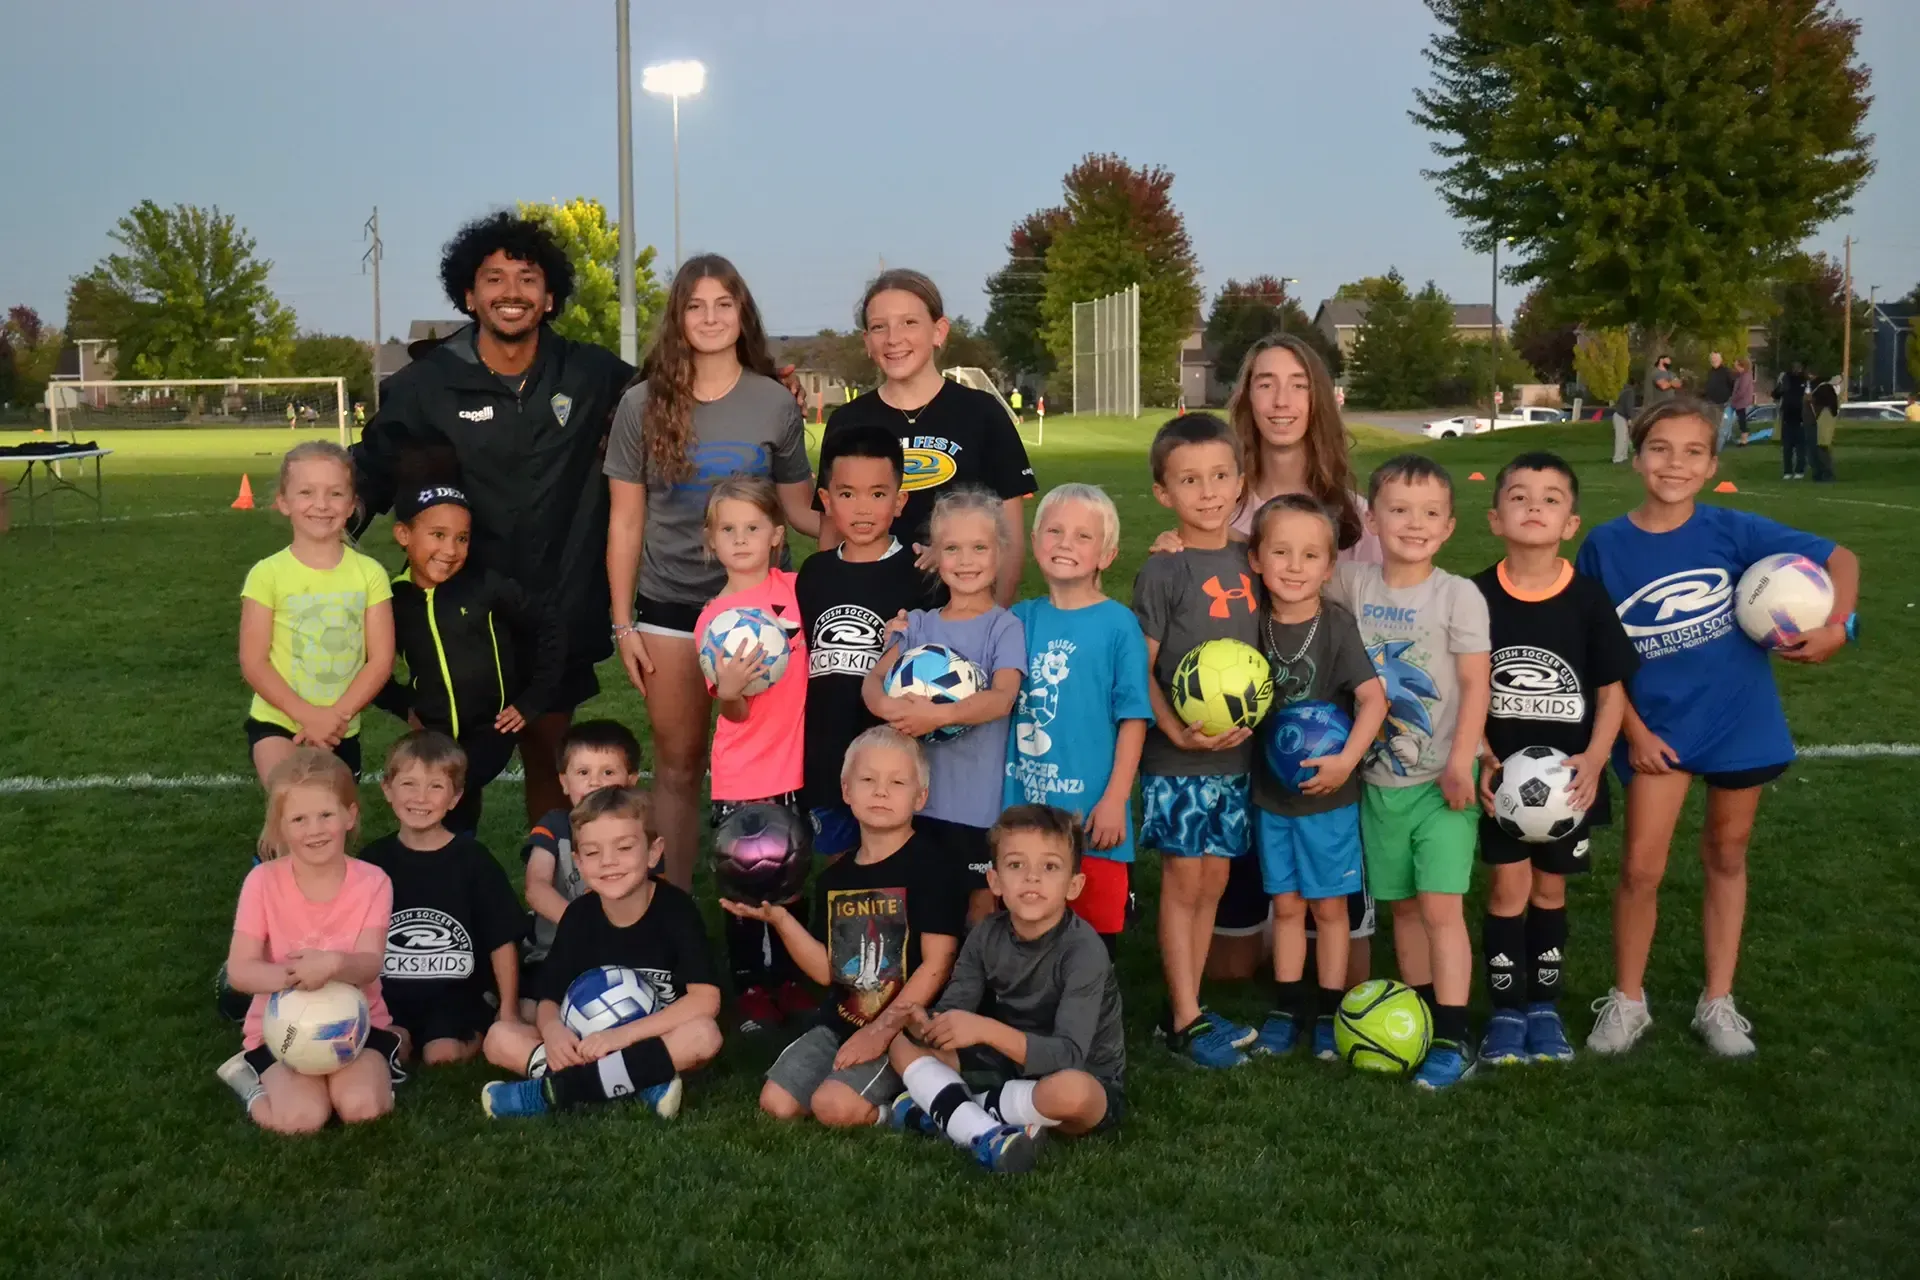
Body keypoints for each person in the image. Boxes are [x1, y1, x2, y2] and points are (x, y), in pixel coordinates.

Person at [1578, 397, 1858, 1058]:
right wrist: (1635, 732)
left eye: (1693, 452)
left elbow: (1841, 558)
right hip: (1660, 732)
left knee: (1727, 855)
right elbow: (1600, 653)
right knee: (1642, 869)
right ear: (1637, 456)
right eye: (1661, 448)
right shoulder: (1606, 545)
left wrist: (1837, 627)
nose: (1674, 463)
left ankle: (1717, 1001)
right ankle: (1627, 1000)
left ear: (1711, 466)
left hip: (1739, 720)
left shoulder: (1733, 531)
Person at [352, 212, 634, 823]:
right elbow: (370, 466)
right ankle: (448, 905)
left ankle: (553, 905)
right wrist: (328, 509)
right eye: (494, 278)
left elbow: (673, 398)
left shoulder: (590, 372)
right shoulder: (427, 384)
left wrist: (764, 383)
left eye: (527, 278)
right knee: (451, 779)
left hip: (557, 609)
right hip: (462, 617)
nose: (512, 292)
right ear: (469, 294)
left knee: (553, 770)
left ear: (550, 295)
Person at [1152, 335, 1385, 990]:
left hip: (1320, 755)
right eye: (1264, 383)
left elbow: (1375, 640)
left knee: (1346, 960)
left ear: (1320, 398)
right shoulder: (1220, 500)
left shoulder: (1352, 517)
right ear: (1245, 398)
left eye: (1297, 383)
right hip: (1235, 752)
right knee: (1232, 967)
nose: (1281, 400)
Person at [605, 255, 819, 891]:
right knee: (677, 765)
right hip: (672, 608)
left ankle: (769, 898)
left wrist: (876, 538)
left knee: (771, 766)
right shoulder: (641, 404)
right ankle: (671, 909)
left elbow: (799, 507)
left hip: (760, 613)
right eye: (695, 305)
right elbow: (625, 522)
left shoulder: (774, 402)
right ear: (678, 317)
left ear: (742, 314)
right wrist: (623, 624)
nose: (710, 317)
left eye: (723, 304)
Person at [1327, 455, 1491, 1091]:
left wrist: (1461, 761)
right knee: (1402, 910)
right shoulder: (1354, 583)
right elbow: (1290, 570)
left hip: (1440, 787)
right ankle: (1420, 1011)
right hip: (1377, 786)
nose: (1413, 524)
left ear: (1450, 526)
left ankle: (1452, 1035)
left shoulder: (1458, 595)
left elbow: (1477, 686)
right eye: (1398, 510)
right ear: (1372, 518)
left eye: (1429, 514)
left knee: (1441, 907)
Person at [1471, 453, 1637, 1066]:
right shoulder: (1475, 596)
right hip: (1504, 783)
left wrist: (1594, 760)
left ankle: (1544, 1008)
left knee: (1550, 893)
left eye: (1550, 498)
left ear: (1571, 523)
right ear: (1495, 518)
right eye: (1518, 496)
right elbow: (1468, 690)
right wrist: (1486, 757)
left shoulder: (1589, 600)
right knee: (1506, 891)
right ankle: (1505, 1014)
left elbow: (1611, 689)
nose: (1533, 507)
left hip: (1570, 783)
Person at [733, 728, 965, 1127]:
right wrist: (782, 921)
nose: (880, 792)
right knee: (777, 1104)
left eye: (897, 782)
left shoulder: (933, 867)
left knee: (833, 1107)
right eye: (868, 780)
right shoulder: (834, 880)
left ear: (920, 797)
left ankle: (903, 1110)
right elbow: (828, 970)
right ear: (846, 790)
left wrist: (881, 1031)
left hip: (905, 1031)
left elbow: (938, 963)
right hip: (842, 1019)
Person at [886, 804, 1127, 1175]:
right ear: (996, 881)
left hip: (1081, 1074)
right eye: (1016, 865)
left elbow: (1068, 1055)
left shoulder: (1084, 951)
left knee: (1073, 1093)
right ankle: (986, 1134)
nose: (1032, 878)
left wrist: (983, 1029)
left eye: (1049, 867)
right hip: (1007, 1064)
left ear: (1074, 885)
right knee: (901, 1043)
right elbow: (956, 1007)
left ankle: (954, 1109)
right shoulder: (986, 933)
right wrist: (929, 1025)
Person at [1131, 413, 1262, 1069]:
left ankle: (1190, 1005)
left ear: (1240, 481)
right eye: (1189, 480)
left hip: (1235, 754)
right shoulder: (1163, 572)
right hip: (1176, 759)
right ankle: (1184, 1019)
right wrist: (1173, 726)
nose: (1207, 492)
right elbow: (1141, 666)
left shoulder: (1254, 558)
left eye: (1219, 476)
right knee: (1184, 882)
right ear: (1163, 493)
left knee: (1212, 880)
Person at [1242, 495, 1387, 1060]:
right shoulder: (1250, 622)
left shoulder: (1336, 627)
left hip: (1329, 797)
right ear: (1256, 558)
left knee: (1329, 908)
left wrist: (1347, 761)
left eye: (1309, 555)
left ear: (1330, 567)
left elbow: (1374, 702)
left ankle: (1329, 1010)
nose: (1294, 566)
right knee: (1285, 905)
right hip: (1273, 796)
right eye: (1280, 552)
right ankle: (1286, 1007)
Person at [481, 787, 724, 1118]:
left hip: (652, 1039)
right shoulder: (579, 916)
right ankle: (640, 1082)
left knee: (703, 1036)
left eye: (624, 848)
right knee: (498, 1037)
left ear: (654, 853)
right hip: (586, 1044)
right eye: (593, 853)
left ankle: (551, 1092)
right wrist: (552, 1032)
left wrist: (621, 1036)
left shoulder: (677, 911)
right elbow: (548, 997)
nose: (609, 862)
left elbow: (706, 1000)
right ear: (578, 863)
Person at [818, 270, 1036, 603]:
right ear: (866, 341)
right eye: (879, 326)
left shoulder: (982, 413)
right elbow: (832, 532)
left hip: (959, 615)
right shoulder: (848, 421)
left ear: (939, 331)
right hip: (869, 614)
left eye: (909, 322)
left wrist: (993, 621)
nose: (893, 338)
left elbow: (1010, 537)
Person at [215, 748, 400, 1133]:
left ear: (350, 816)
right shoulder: (263, 882)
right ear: (281, 826)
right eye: (299, 819)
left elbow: (369, 963)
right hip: (280, 1033)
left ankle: (380, 1069)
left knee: (363, 1108)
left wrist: (332, 966)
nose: (314, 829)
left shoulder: (373, 881)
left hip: (357, 1031)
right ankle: (247, 1082)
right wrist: (300, 976)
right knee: (302, 1119)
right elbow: (240, 971)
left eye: (326, 815)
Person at [863, 487, 1025, 924]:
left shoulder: (1004, 628)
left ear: (1000, 553)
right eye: (952, 548)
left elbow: (1002, 697)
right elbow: (874, 681)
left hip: (977, 806)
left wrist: (940, 715)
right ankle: (920, 987)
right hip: (915, 802)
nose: (966, 560)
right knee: (921, 904)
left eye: (979, 548)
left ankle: (972, 990)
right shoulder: (917, 624)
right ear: (936, 554)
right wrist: (890, 710)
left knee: (978, 906)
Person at [1003, 484, 1153, 956]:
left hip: (1092, 814)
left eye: (1083, 536)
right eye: (1055, 531)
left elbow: (1133, 718)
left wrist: (1115, 800)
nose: (1066, 543)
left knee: (1091, 942)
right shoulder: (1017, 619)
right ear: (1034, 542)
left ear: (1106, 555)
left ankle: (1090, 1026)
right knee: (1027, 935)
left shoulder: (1118, 624)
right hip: (1023, 810)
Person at [693, 476, 814, 1031]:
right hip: (742, 774)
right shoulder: (713, 619)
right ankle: (750, 987)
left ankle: (791, 980)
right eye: (728, 530)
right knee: (744, 884)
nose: (740, 539)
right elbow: (732, 713)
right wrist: (736, 691)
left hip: (795, 766)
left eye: (752, 527)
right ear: (710, 541)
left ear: (776, 535)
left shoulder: (796, 590)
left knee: (789, 879)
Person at [376, 479, 563, 834]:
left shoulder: (484, 586)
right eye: (438, 535)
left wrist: (532, 699)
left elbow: (548, 624)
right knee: (441, 814)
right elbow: (372, 665)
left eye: (461, 538)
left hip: (490, 732)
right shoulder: (394, 601)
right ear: (403, 534)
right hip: (436, 733)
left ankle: (450, 862)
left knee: (449, 798)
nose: (450, 549)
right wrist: (406, 707)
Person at [797, 423, 936, 862]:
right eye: (847, 493)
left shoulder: (921, 573)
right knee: (841, 869)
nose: (862, 508)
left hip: (893, 761)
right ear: (826, 500)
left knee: (898, 864)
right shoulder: (814, 573)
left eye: (877, 495)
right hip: (825, 754)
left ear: (899, 502)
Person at [360, 732, 526, 1066]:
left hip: (456, 994)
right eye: (409, 784)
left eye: (435, 786)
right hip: (388, 996)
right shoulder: (372, 861)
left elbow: (502, 939)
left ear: (455, 797)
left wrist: (508, 1011)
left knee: (443, 1054)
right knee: (394, 1045)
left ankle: (466, 1036)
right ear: (387, 790)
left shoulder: (473, 860)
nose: (420, 797)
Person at [239, 441, 395, 784]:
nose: (321, 505)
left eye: (335, 494)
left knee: (334, 824)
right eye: (306, 492)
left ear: (353, 504)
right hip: (278, 721)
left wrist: (334, 718)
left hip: (341, 727)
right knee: (294, 800)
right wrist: (307, 716)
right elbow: (254, 662)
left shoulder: (370, 575)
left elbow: (381, 661)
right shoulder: (267, 574)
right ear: (284, 501)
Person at [520, 719, 644, 996]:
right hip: (554, 952)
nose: (595, 782)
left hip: (624, 955)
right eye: (583, 772)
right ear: (564, 782)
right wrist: (583, 928)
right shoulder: (553, 825)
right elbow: (535, 887)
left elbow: (658, 889)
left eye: (608, 772)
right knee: (532, 1011)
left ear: (631, 781)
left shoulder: (641, 831)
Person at [1774, 361, 1812, 480]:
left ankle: (1798, 470)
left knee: (1799, 448)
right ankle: (1788, 471)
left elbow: (1808, 397)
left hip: (1800, 418)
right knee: (1788, 448)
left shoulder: (1804, 381)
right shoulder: (1787, 379)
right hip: (1788, 417)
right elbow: (1776, 394)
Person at [1703, 352, 1735, 449]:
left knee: (1720, 427)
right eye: (1712, 359)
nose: (1713, 361)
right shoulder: (1710, 372)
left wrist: (1730, 398)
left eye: (1715, 359)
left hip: (1722, 403)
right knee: (1711, 425)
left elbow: (1733, 385)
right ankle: (1711, 445)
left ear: (1720, 360)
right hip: (1710, 403)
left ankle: (1718, 447)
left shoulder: (1726, 371)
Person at [1810, 381, 1839, 482]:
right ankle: (1822, 474)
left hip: (1822, 437)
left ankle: (1826, 474)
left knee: (1823, 455)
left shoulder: (1826, 411)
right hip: (1825, 437)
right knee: (1823, 455)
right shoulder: (1832, 409)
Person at [1611, 380, 1637, 465]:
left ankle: (1623, 456)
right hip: (1621, 416)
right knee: (1621, 437)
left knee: (1625, 437)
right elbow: (1629, 406)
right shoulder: (1630, 392)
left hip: (1620, 414)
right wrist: (1630, 418)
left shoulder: (1624, 391)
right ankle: (1618, 458)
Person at [1731, 358, 1755, 446]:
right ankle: (1743, 440)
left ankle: (1744, 441)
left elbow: (1741, 391)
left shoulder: (1745, 376)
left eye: (1736, 365)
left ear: (1742, 366)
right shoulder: (1742, 375)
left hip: (1742, 403)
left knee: (1742, 422)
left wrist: (1733, 399)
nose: (1735, 367)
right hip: (1740, 403)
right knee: (1741, 422)